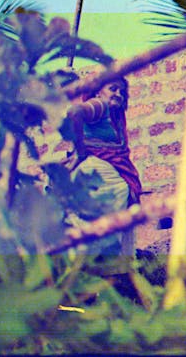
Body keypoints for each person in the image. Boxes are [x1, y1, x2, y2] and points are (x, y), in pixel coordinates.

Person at [63, 75, 142, 257]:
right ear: (99, 91)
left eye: (122, 91)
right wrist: (80, 150)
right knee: (119, 192)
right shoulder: (100, 105)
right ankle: (94, 256)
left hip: (105, 167)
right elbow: (74, 113)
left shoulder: (114, 116)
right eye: (113, 89)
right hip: (95, 168)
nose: (118, 94)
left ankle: (111, 264)